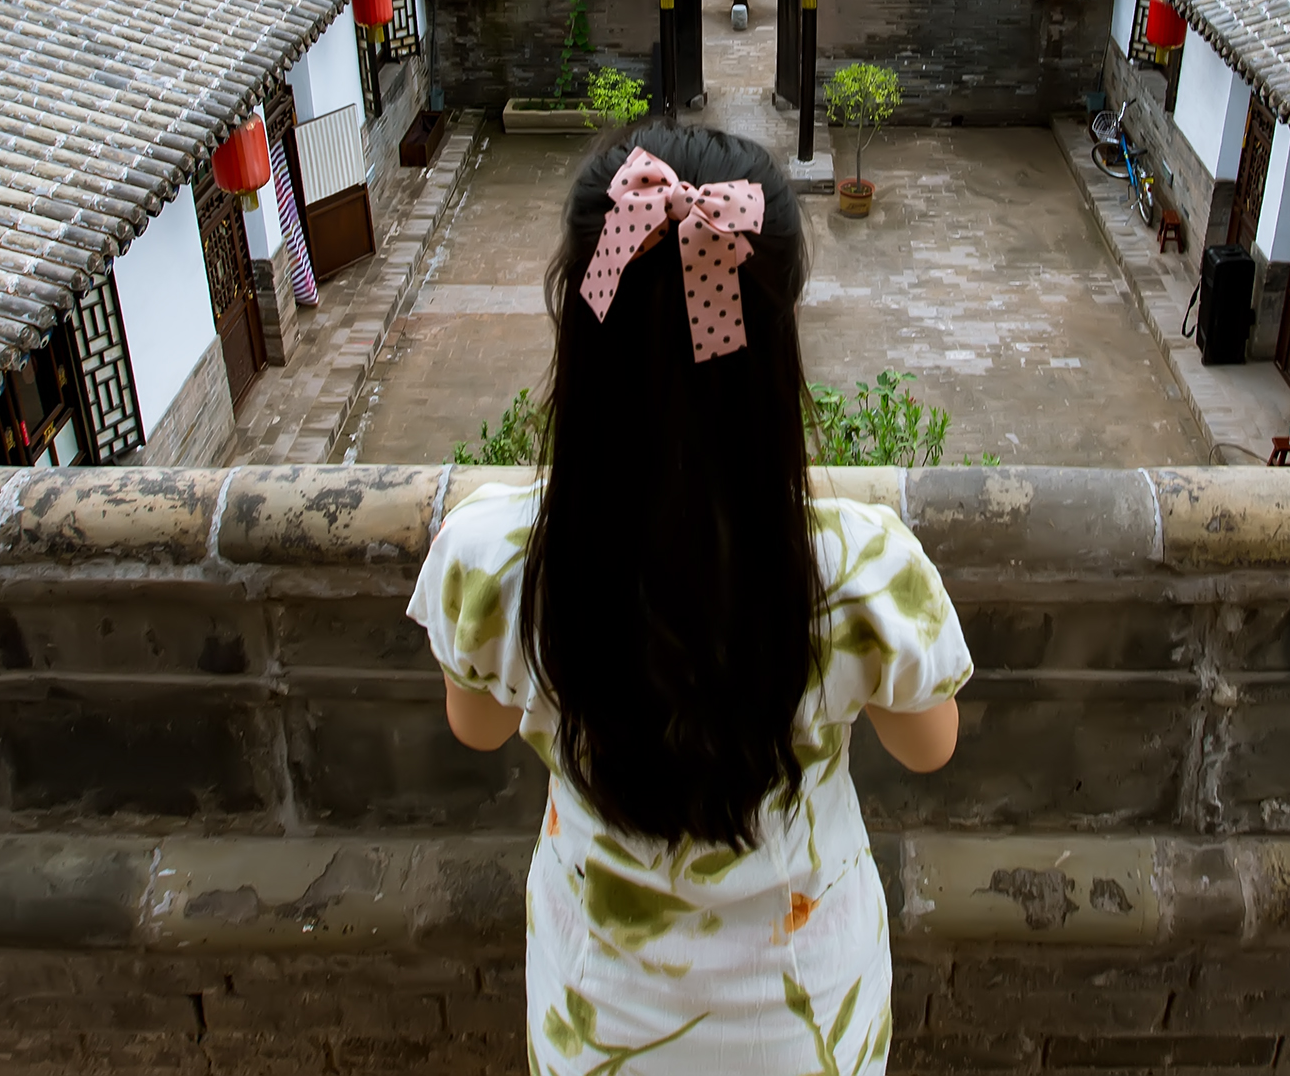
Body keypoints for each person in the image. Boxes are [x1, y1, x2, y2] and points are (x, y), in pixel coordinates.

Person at [411, 126, 970, 1074]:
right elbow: (931, 744)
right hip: (807, 1021)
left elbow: (476, 730)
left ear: (581, 326)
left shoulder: (498, 555)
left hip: (604, 1011)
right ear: (779, 323)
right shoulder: (859, 565)